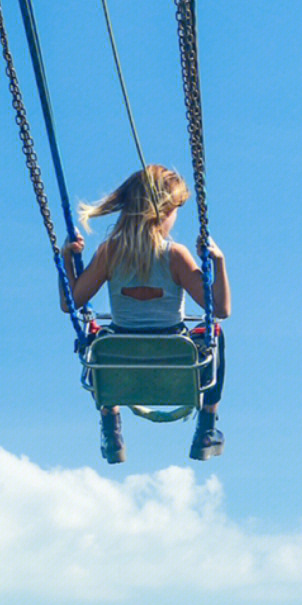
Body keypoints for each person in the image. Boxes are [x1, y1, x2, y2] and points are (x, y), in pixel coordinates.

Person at [60, 165, 231, 464]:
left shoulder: (109, 253)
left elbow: (70, 303)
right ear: (163, 212)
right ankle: (207, 426)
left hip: (121, 359)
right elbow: (221, 310)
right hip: (175, 358)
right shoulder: (175, 255)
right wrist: (219, 261)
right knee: (214, 333)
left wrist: (66, 257)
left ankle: (110, 426)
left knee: (93, 336)